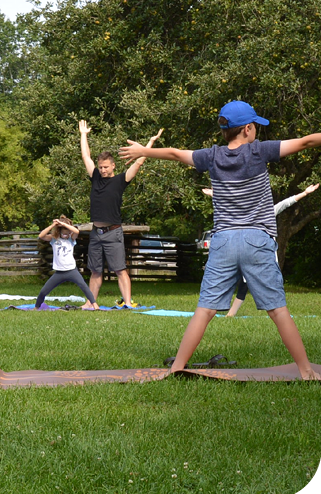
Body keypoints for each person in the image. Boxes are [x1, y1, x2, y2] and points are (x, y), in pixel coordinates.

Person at [120, 100, 321, 380]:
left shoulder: (211, 156)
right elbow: (305, 142)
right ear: (249, 129)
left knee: (205, 310)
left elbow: (176, 154)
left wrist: (144, 151)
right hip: (257, 241)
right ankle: (306, 370)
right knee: (277, 310)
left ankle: (177, 367)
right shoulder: (259, 151)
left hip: (223, 241)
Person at [201, 183, 319, 317]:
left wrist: (305, 193)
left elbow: (287, 202)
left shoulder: (269, 211)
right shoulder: (248, 213)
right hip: (247, 251)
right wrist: (214, 195)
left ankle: (232, 314)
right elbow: (233, 203)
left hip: (260, 254)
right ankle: (231, 314)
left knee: (258, 285)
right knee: (244, 284)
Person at [79, 120, 163, 308]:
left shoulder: (120, 180)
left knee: (120, 270)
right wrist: (83, 134)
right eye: (100, 167)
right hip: (96, 233)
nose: (102, 170)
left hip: (113, 232)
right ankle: (90, 303)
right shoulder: (95, 178)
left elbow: (139, 161)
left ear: (114, 166)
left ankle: (127, 302)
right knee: (95, 271)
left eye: (106, 167)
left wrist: (150, 143)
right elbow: (86, 155)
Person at [35, 215, 99, 310]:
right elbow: (41, 236)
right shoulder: (54, 239)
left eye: (67, 233)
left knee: (84, 287)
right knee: (44, 291)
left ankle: (95, 305)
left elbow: (76, 231)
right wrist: (53, 225)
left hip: (72, 271)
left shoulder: (71, 239)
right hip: (59, 273)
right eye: (64, 234)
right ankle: (36, 307)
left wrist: (63, 223)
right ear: (59, 231)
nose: (66, 236)